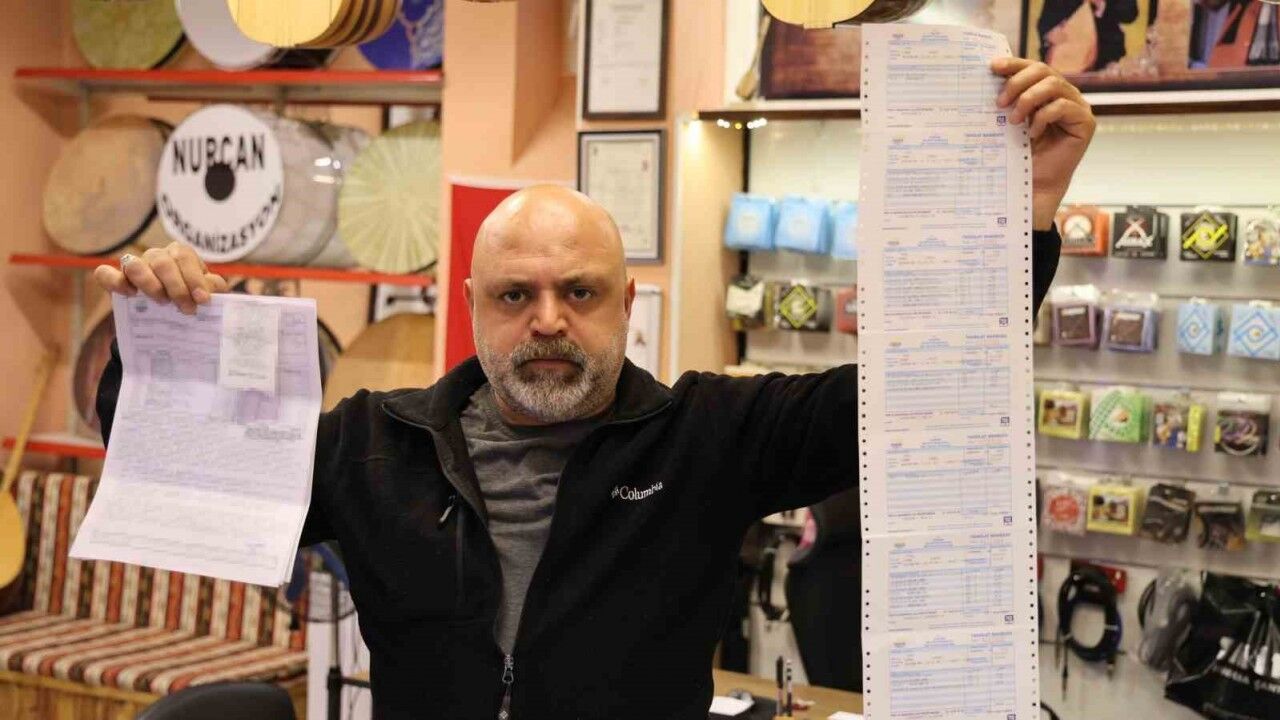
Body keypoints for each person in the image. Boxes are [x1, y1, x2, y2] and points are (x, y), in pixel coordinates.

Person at [93, 59, 1094, 719]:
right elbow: (181, 462)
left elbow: (925, 391)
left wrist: (1026, 214)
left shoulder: (708, 435)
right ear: (471, 307)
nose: (546, 320)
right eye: (514, 295)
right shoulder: (372, 445)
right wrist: (157, 335)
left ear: (624, 306)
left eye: (578, 292)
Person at [1038, 0, 1139, 72]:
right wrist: (1049, 34)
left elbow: (1130, 13)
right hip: (1067, 63)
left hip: (1106, 59)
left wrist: (1102, 5)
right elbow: (1044, 23)